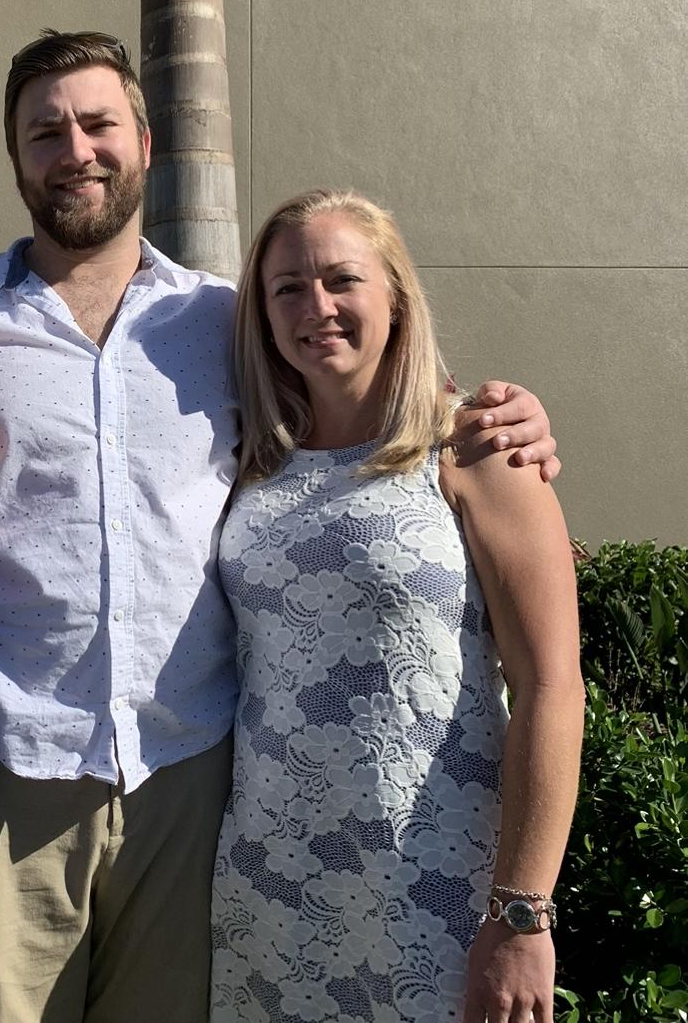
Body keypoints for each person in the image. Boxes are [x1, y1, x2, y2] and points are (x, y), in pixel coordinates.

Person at [0, 32, 560, 1023]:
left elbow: (371, 403)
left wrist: (506, 417)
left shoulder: (227, 322)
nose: (76, 149)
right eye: (46, 132)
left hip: (194, 783)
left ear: (145, 143)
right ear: (17, 158)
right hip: (18, 781)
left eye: (97, 124)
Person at [211, 189, 584, 1023]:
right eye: (287, 288)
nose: (317, 307)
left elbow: (554, 685)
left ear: (395, 297)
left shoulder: (478, 449)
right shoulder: (251, 463)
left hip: (436, 888)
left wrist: (524, 914)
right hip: (268, 892)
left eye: (343, 280)